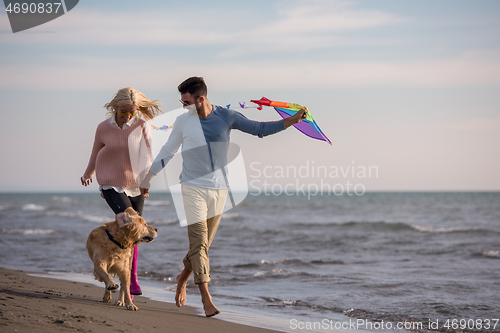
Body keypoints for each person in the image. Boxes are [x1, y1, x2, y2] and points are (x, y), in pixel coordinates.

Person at [139, 77, 307, 317]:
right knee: (199, 243)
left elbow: (259, 129)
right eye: (181, 102)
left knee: (203, 246)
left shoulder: (227, 117)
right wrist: (148, 177)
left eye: (186, 102)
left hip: (219, 191)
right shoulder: (183, 121)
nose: (183, 106)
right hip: (191, 188)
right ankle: (206, 299)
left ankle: (182, 278)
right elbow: (168, 150)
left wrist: (291, 121)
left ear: (201, 99)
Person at [81, 86, 162, 297]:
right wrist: (89, 172)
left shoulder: (142, 126)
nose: (127, 116)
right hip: (109, 182)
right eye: (123, 111)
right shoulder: (103, 127)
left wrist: (146, 181)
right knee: (129, 222)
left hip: (136, 185)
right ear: (115, 108)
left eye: (131, 112)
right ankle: (113, 271)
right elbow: (96, 150)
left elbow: (147, 155)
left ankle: (129, 275)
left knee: (134, 233)